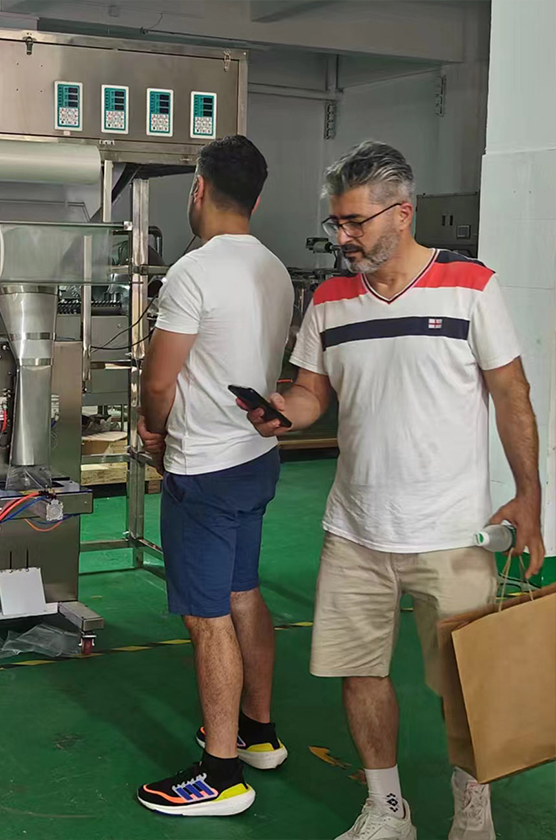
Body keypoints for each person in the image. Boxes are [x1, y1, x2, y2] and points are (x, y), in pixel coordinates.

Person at [246, 140, 544, 840]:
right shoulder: (330, 300)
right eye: (337, 222)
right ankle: (387, 810)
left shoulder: (470, 286)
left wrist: (529, 496)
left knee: (464, 685)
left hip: (453, 532)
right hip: (355, 530)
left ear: (402, 213)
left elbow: (512, 394)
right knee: (360, 674)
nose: (342, 237)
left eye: (356, 221)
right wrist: (282, 414)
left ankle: (473, 810)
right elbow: (312, 394)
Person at [135, 135, 294, 817]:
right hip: (254, 460)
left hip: (201, 469)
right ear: (256, 197)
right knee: (243, 594)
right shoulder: (274, 269)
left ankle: (221, 772)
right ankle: (259, 732)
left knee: (207, 619)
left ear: (198, 189)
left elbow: (159, 381)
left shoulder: (193, 273)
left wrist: (154, 430)